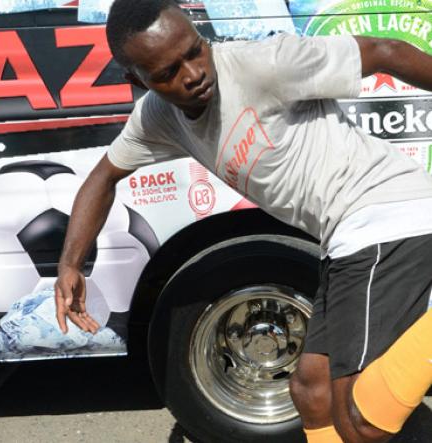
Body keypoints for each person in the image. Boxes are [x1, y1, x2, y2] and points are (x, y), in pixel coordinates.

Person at [54, 0, 432, 442]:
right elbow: (103, 177)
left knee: (361, 419)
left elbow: (384, 51)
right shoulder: (158, 118)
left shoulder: (259, 65)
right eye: (167, 73)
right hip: (344, 237)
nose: (193, 73)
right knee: (311, 391)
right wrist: (70, 264)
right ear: (136, 80)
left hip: (387, 215)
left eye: (195, 51)